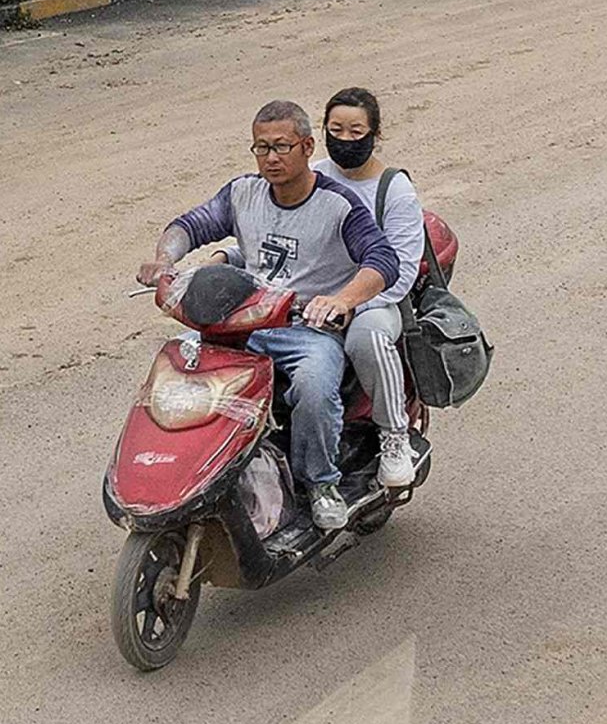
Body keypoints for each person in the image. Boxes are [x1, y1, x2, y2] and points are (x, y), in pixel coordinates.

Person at [146, 100, 398, 532]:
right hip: (244, 324)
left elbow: (382, 260)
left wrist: (341, 300)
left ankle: (320, 483)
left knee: (315, 387)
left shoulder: (339, 204)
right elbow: (192, 224)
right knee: (180, 374)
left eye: (281, 147)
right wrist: (164, 260)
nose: (271, 158)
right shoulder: (242, 192)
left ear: (306, 146)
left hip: (308, 330)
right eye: (261, 148)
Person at [320, 86, 427, 493]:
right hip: (313, 294)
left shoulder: (394, 190)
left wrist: (349, 302)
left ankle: (393, 435)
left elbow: (400, 272)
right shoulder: (312, 176)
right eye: (336, 130)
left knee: (367, 339)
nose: (345, 140)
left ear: (375, 134)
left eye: (355, 131)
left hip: (375, 301)